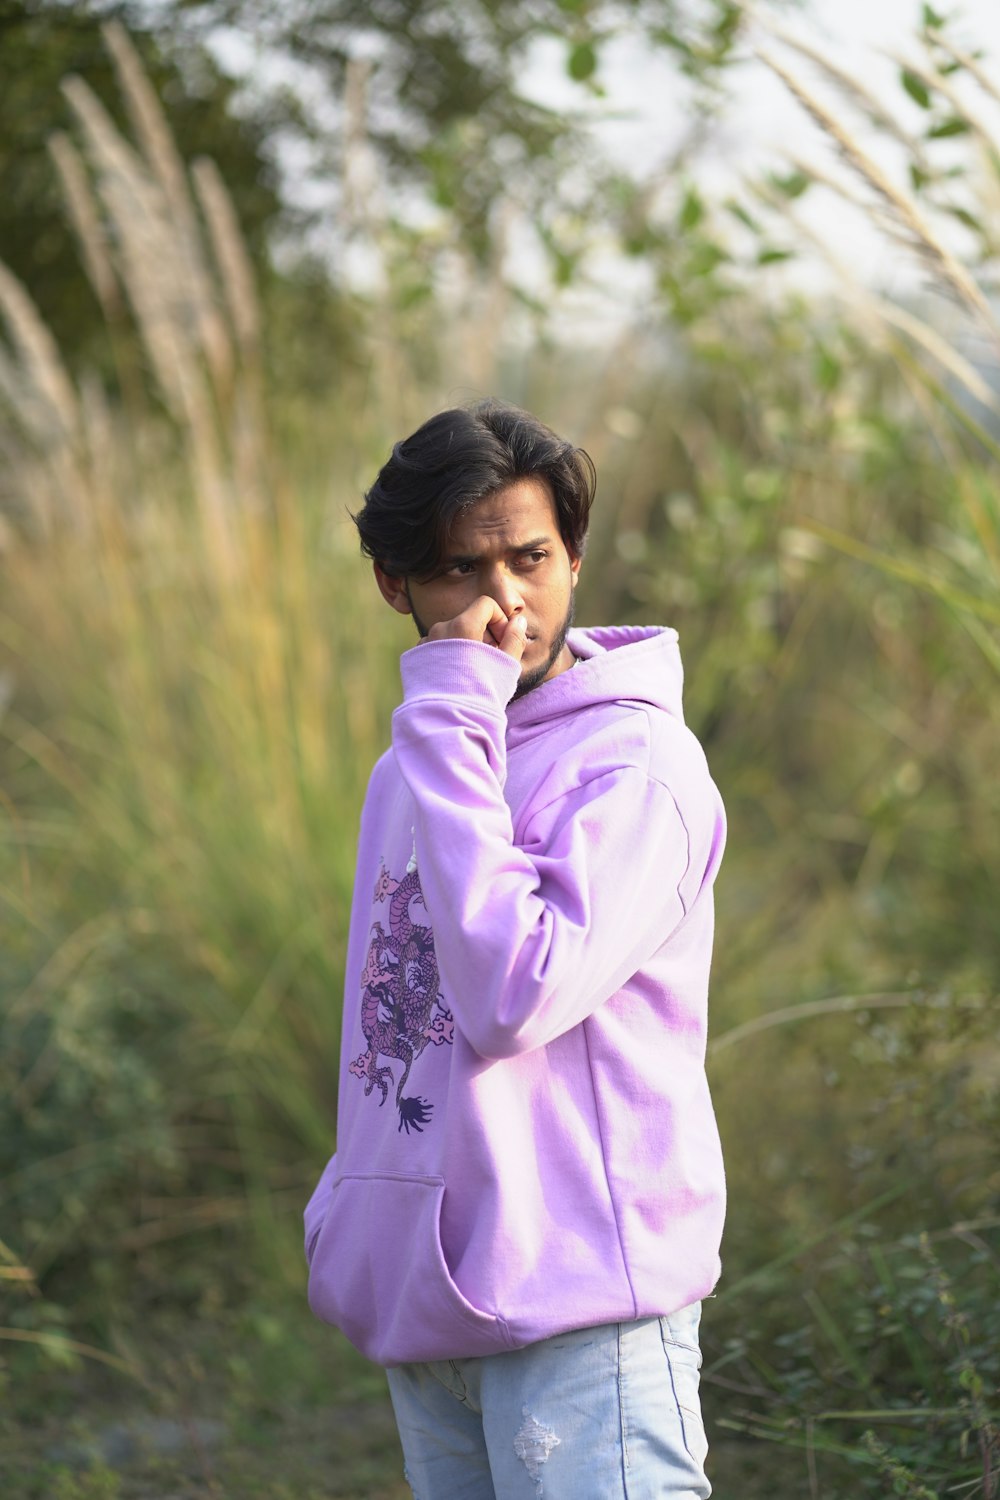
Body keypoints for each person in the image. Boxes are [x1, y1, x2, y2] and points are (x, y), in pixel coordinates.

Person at [304, 399, 727, 1499]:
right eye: (460, 570)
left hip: (583, 1317)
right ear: (396, 586)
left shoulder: (638, 769)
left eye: (531, 559)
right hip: (428, 1300)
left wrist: (451, 710)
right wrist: (356, 1206)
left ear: (574, 559)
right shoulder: (415, 768)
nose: (505, 603)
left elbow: (510, 997)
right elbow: (393, 1021)